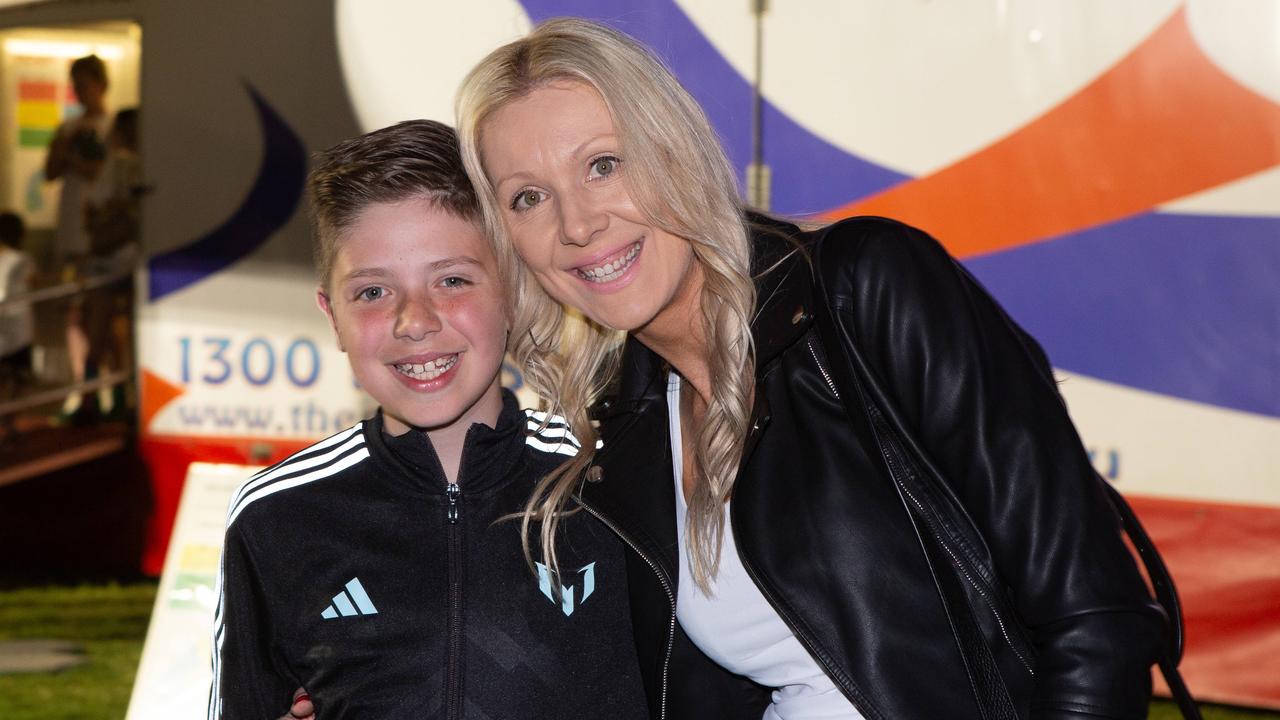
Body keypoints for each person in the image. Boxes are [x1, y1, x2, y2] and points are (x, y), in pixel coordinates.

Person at [453, 18, 1168, 719]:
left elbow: (1098, 621)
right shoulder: (627, 425)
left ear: (674, 149)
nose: (577, 224)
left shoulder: (864, 291)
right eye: (529, 198)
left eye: (604, 165)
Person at [211, 120, 646, 718]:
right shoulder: (276, 517)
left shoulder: (606, 479)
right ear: (331, 314)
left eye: (452, 280)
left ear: (513, 292)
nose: (414, 320)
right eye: (371, 292)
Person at [0, 212, 34, 439]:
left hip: (6, 328)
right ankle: (9, 424)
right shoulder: (23, 260)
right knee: (19, 379)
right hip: (20, 328)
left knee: (5, 379)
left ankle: (7, 424)